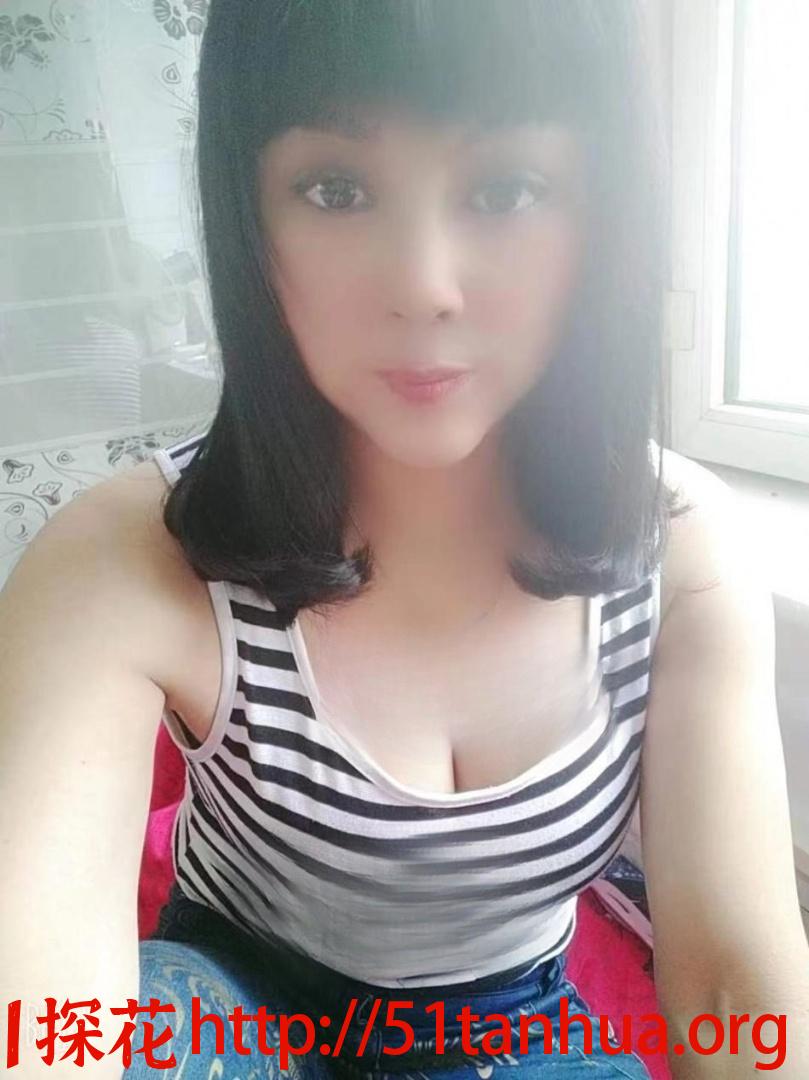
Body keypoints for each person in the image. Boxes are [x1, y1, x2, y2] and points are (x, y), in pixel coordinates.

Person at [2, 1, 808, 1078]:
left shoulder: (680, 553)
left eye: (505, 189)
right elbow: (42, 1010)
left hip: (509, 1025)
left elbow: (731, 991)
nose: (423, 286)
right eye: (335, 190)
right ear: (248, 211)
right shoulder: (123, 555)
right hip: (231, 993)